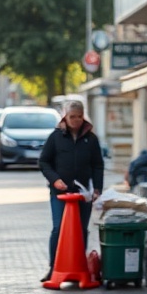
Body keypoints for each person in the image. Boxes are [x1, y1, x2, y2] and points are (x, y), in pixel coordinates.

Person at [38, 100, 104, 282]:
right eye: (72, 117)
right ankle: (54, 268)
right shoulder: (56, 137)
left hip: (83, 194)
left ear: (84, 116)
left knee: (81, 230)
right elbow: (44, 162)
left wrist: (97, 188)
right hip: (60, 194)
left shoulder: (91, 139)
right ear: (65, 117)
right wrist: (55, 180)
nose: (75, 120)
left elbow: (98, 165)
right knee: (59, 228)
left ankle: (77, 266)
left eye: (79, 117)